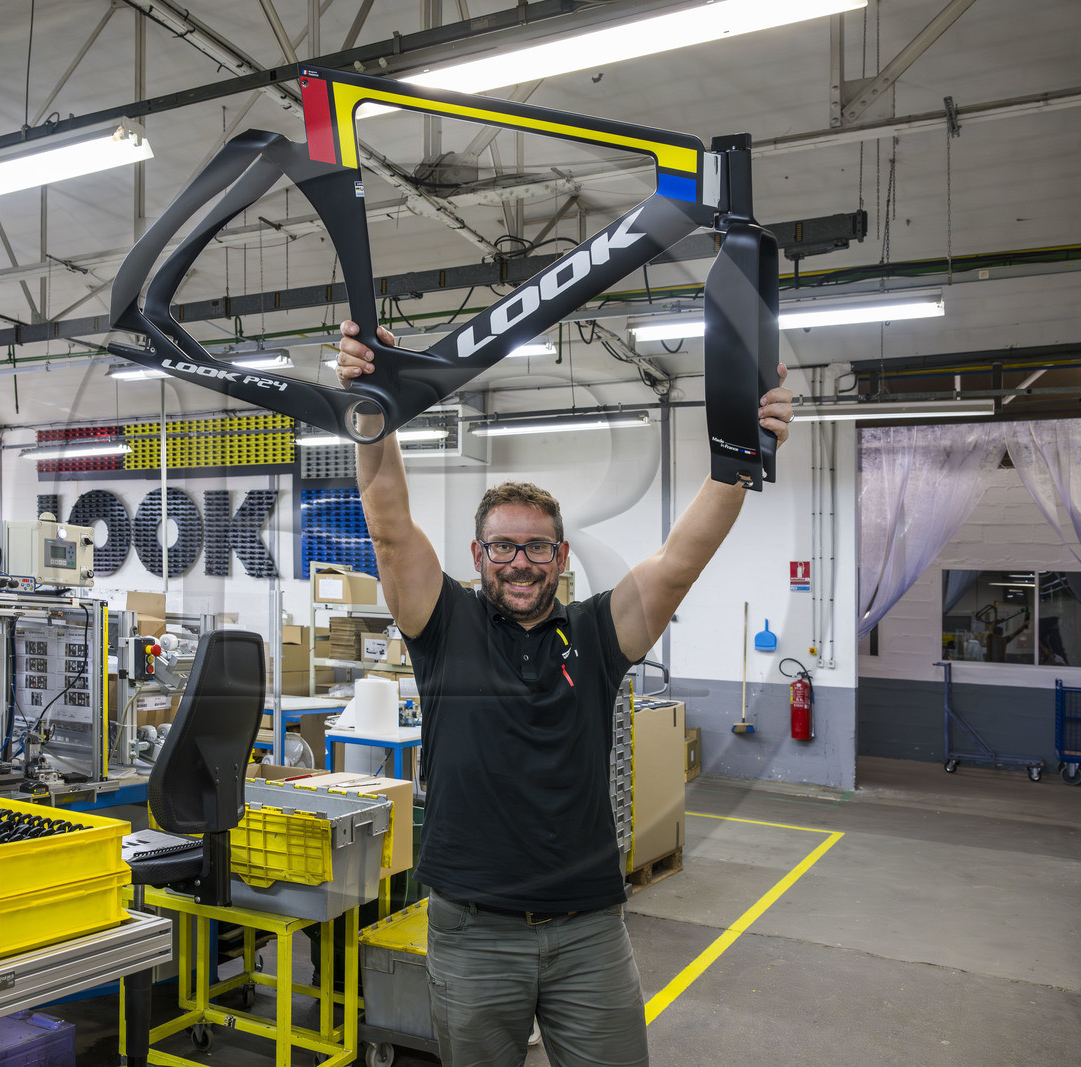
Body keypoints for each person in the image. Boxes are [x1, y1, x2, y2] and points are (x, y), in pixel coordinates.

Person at [336, 320, 794, 1067]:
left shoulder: (598, 630)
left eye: (538, 546)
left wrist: (740, 457)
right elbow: (388, 526)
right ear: (479, 554)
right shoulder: (441, 622)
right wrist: (373, 408)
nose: (521, 563)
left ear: (561, 554)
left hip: (589, 930)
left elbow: (681, 559)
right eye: (505, 547)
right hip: (474, 929)